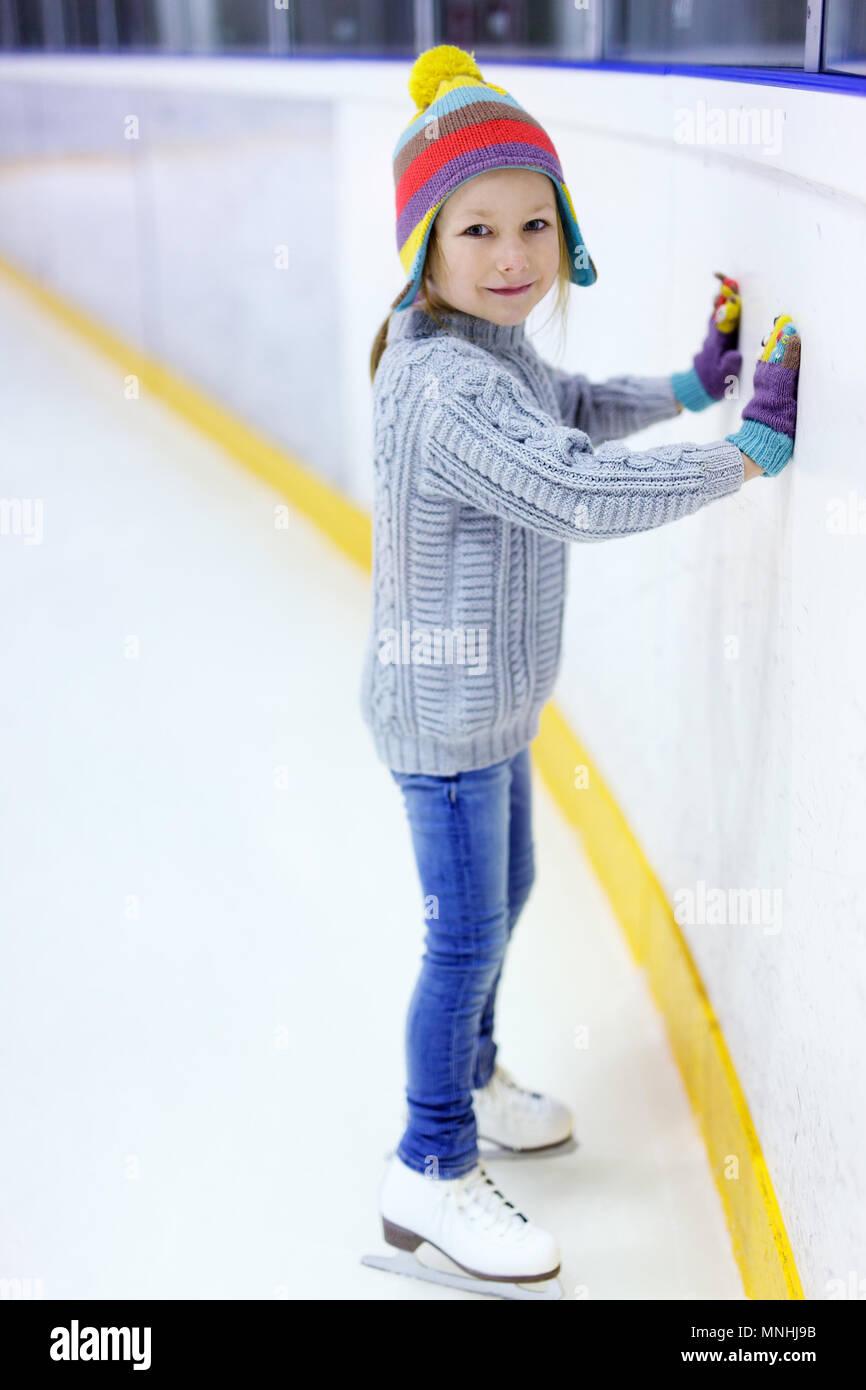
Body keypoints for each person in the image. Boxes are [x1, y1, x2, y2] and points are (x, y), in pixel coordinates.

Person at [358, 44, 801, 1295]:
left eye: (534, 224)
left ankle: (476, 1074)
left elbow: (570, 413)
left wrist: (691, 385)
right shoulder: (441, 383)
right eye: (477, 230)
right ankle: (426, 1163)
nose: (512, 256)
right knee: (460, 934)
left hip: (490, 702)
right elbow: (570, 486)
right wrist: (747, 452)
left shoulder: (490, 351)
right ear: (424, 251)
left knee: (507, 894)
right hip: (442, 718)